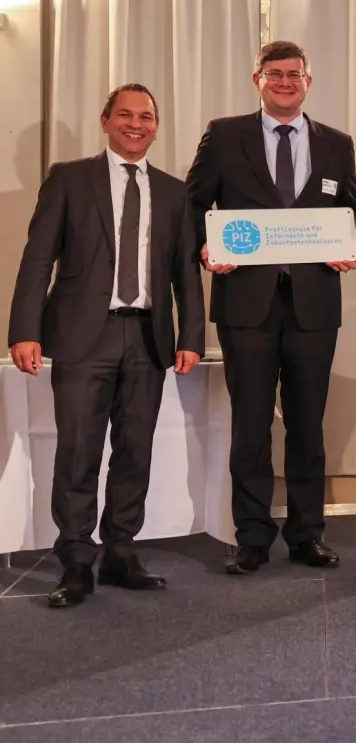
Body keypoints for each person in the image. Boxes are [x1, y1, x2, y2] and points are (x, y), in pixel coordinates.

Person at [7, 85, 205, 608]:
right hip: (81, 335)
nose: (136, 124)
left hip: (147, 337)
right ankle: (75, 560)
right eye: (125, 114)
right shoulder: (70, 179)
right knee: (77, 452)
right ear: (105, 121)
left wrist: (191, 337)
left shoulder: (173, 191)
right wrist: (24, 328)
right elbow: (37, 257)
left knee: (135, 449)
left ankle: (121, 551)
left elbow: (186, 273)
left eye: (146, 117)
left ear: (157, 127)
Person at [187, 40, 356, 574]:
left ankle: (307, 534)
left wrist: (349, 245)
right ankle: (253, 537)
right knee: (252, 425)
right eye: (275, 74)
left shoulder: (337, 143)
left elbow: (350, 210)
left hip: (313, 305)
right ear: (256, 79)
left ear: (309, 81)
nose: (285, 82)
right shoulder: (225, 135)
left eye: (295, 74)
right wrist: (204, 247)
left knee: (309, 426)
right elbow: (193, 205)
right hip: (246, 304)